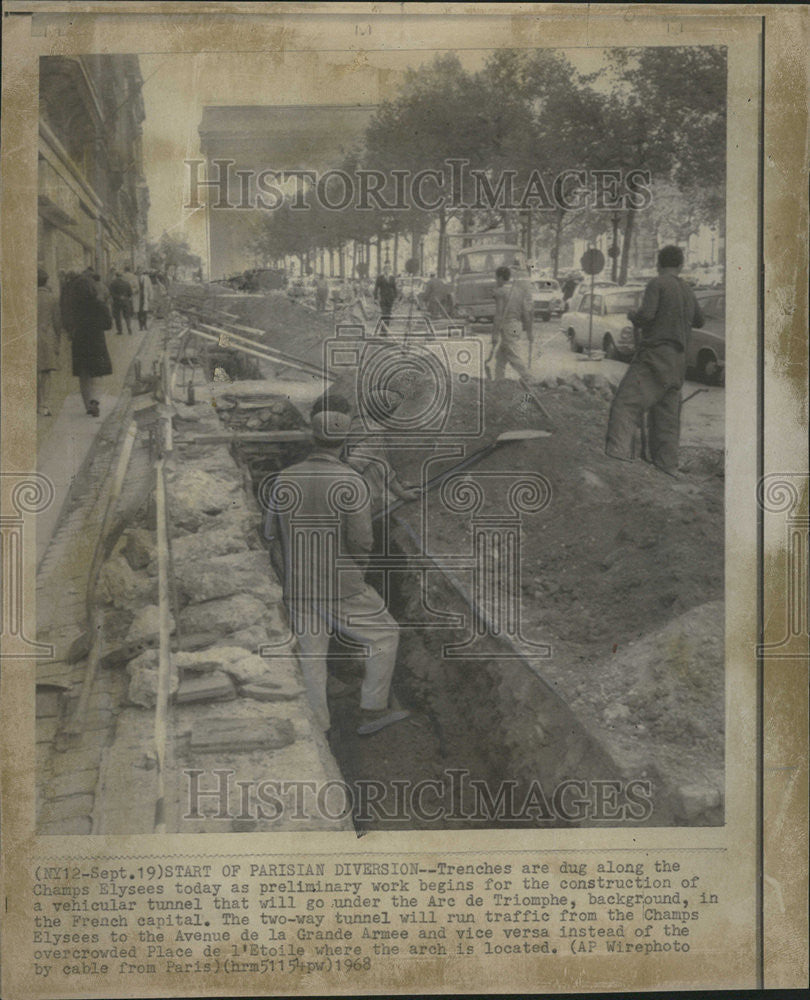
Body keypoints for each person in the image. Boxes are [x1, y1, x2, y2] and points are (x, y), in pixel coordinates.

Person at [265, 409, 409, 737]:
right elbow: (361, 539)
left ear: (311, 437)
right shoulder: (350, 481)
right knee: (384, 634)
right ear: (343, 442)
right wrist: (357, 569)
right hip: (340, 583)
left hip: (298, 583)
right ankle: (373, 709)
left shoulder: (285, 478)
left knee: (311, 654)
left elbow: (271, 534)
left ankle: (318, 726)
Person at [605, 245, 705, 477]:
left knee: (626, 403)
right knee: (667, 417)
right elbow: (699, 321)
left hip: (655, 356)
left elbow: (647, 316)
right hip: (678, 362)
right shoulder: (687, 289)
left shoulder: (657, 283)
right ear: (680, 265)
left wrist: (633, 316)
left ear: (658, 264)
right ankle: (667, 466)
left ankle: (617, 456)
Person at [61, 266, 113, 417]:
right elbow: (108, 325)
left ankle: (87, 404)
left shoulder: (74, 307)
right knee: (97, 374)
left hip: (80, 341)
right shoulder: (100, 305)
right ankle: (95, 401)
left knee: (83, 375)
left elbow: (68, 322)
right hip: (96, 340)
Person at [491, 265, 535, 381]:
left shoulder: (500, 292)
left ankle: (528, 378)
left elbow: (499, 314)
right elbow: (526, 314)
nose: (496, 281)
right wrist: (530, 332)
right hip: (516, 326)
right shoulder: (519, 291)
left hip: (507, 326)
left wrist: (495, 334)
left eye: (496, 278)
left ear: (500, 278)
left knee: (513, 355)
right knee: (501, 356)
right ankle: (498, 380)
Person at [37, 267, 62, 416]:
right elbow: (57, 322)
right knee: (46, 373)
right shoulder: (52, 298)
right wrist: (58, 341)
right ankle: (44, 405)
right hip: (46, 337)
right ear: (46, 281)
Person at [373, 263, 397, 335]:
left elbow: (394, 288)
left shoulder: (392, 278)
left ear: (390, 270)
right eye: (385, 269)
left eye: (388, 269)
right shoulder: (380, 278)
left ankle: (386, 330)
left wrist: (396, 297)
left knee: (388, 314)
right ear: (383, 270)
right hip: (383, 298)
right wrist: (375, 297)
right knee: (384, 314)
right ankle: (383, 331)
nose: (387, 270)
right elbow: (376, 288)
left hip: (390, 299)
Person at [108, 270, 134, 335]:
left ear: (116, 276)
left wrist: (118, 297)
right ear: (121, 276)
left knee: (117, 316)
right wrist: (126, 297)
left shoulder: (113, 283)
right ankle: (129, 328)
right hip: (126, 301)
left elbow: (111, 293)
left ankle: (120, 330)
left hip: (117, 302)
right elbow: (130, 293)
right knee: (127, 316)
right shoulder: (127, 283)